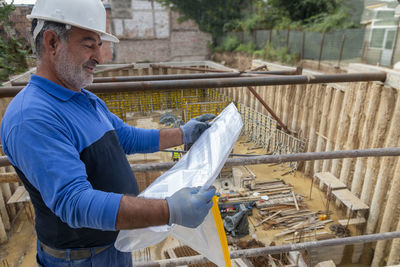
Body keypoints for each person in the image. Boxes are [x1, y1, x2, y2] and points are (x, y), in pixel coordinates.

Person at [0, 0, 216, 266]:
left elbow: (125, 137)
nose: (100, 58)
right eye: (89, 44)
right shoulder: (32, 117)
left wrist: (183, 133)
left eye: (100, 45)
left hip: (112, 246)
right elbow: (74, 202)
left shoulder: (83, 99)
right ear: (52, 42)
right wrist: (169, 210)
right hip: (80, 259)